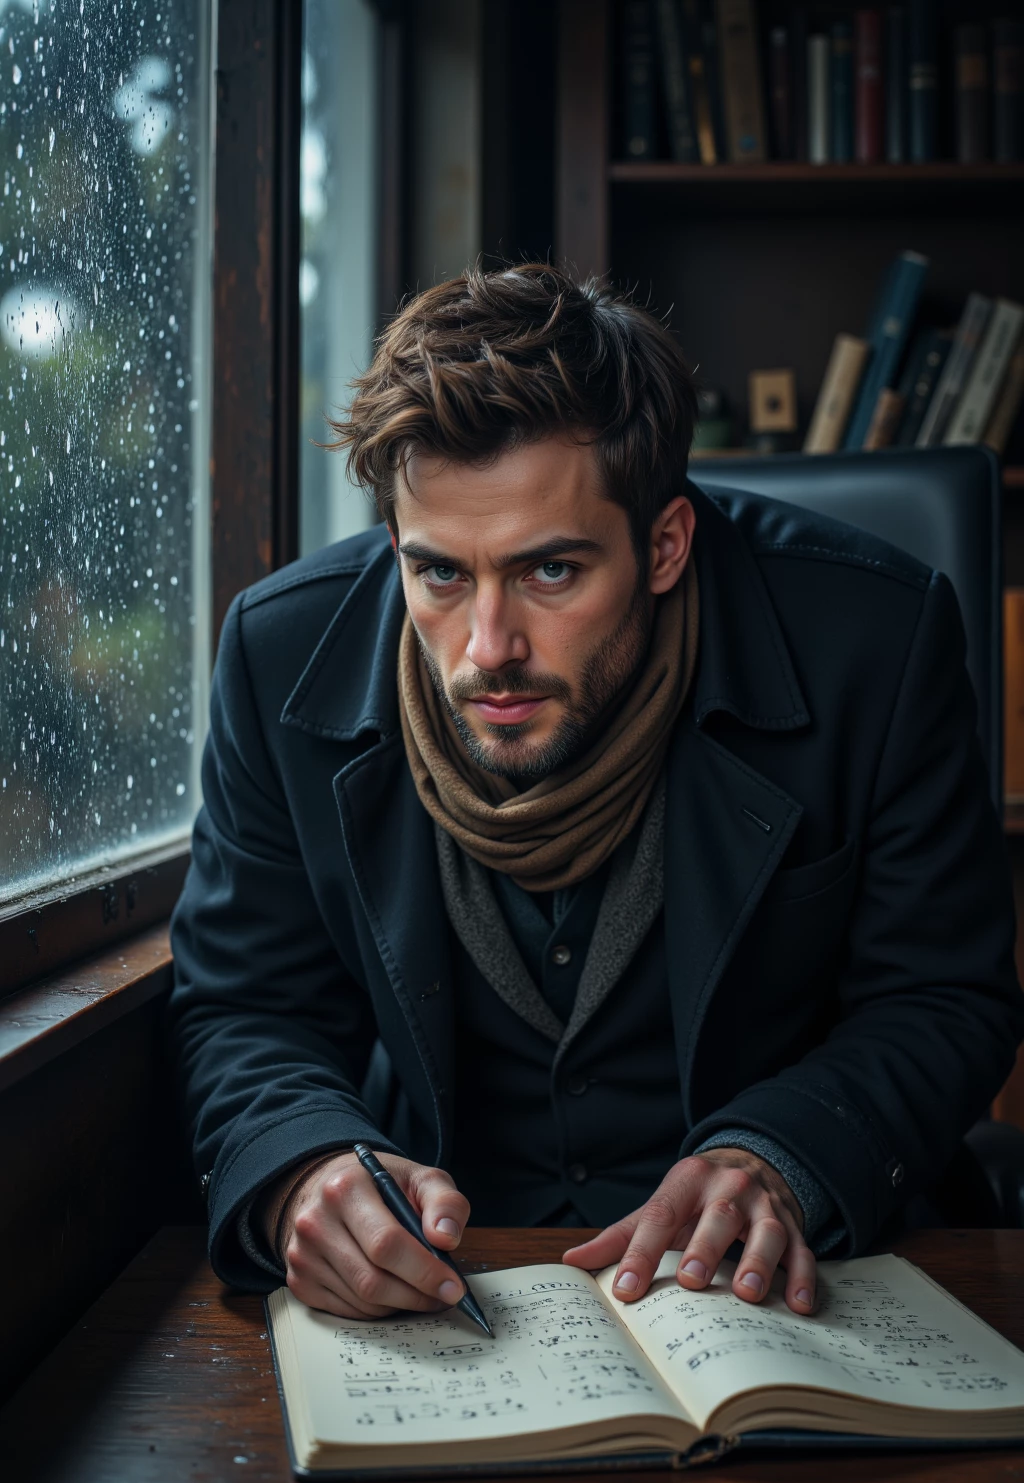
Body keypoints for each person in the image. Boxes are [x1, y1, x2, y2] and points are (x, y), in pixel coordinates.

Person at [167, 262, 1023, 1326]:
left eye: (550, 572)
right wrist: (301, 1165)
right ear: (395, 544)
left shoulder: (877, 642)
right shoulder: (273, 653)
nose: (489, 649)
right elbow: (249, 1004)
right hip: (445, 1296)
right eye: (439, 573)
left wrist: (786, 1155)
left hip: (782, 1297)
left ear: (663, 545)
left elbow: (943, 994)